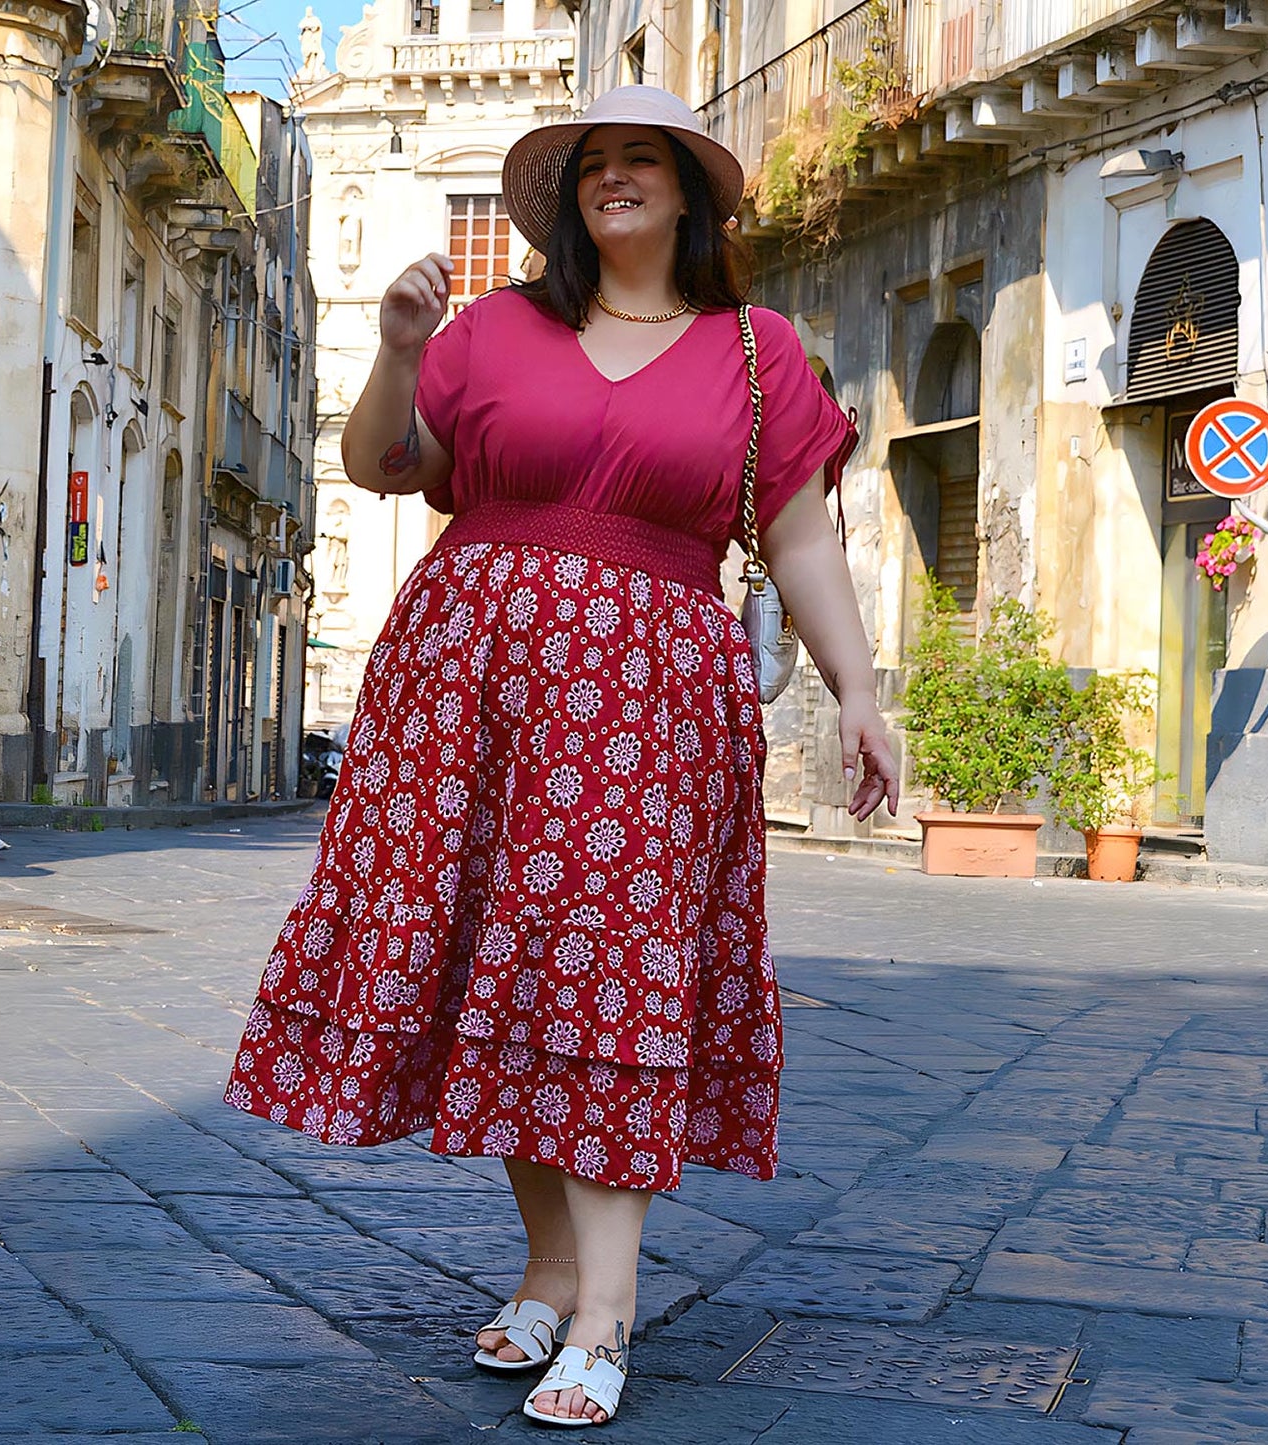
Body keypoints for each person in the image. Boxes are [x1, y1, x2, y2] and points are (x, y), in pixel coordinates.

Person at [224, 84, 899, 1428]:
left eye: (645, 159)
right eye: (595, 162)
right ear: (568, 195)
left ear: (690, 192)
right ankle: (548, 1270)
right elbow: (382, 465)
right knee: (505, 968)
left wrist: (858, 689)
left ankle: (605, 1312)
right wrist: (398, 351)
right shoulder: (489, 330)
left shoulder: (757, 350)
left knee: (609, 978)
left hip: (648, 702)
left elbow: (802, 537)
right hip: (465, 691)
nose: (616, 178)